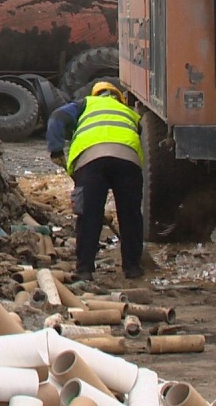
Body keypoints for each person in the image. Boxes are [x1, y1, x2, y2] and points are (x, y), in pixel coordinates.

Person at [46, 81, 144, 281]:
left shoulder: (84, 104)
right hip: (127, 162)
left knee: (89, 215)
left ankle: (85, 270)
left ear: (95, 94)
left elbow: (56, 117)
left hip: (91, 162)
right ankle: (132, 267)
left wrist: (56, 149)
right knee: (131, 215)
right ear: (120, 98)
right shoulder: (130, 113)